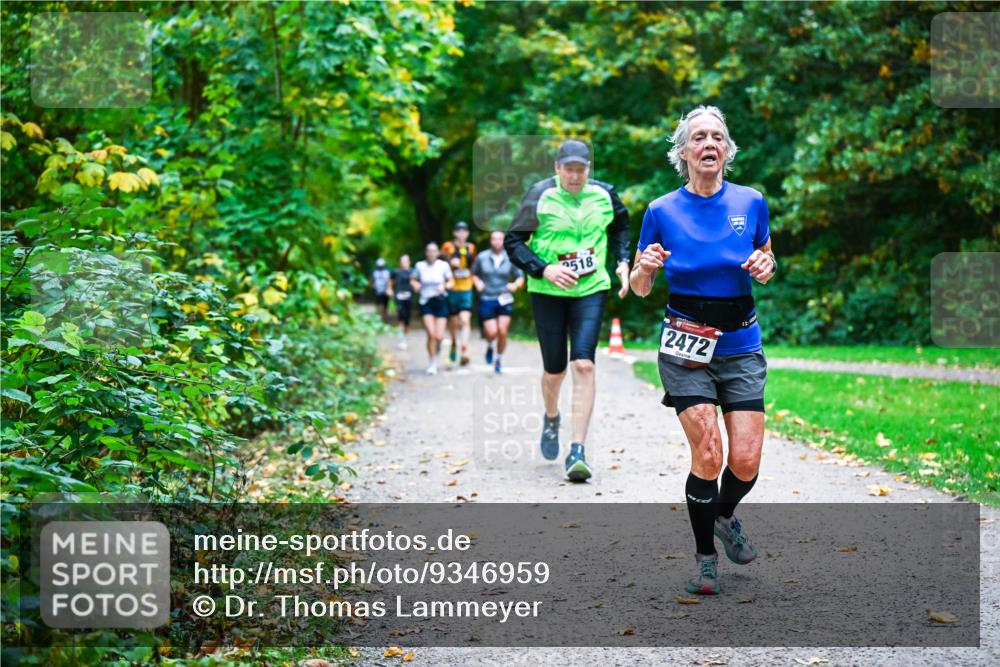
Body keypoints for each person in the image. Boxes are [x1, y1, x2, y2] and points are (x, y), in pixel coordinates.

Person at [629, 105, 776, 595]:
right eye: (699, 138)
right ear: (684, 151)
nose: (709, 144)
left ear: (727, 150)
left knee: (747, 460)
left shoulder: (752, 202)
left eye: (717, 137)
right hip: (686, 346)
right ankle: (706, 561)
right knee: (709, 453)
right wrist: (645, 268)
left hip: (740, 343)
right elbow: (639, 286)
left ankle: (724, 516)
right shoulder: (660, 210)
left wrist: (764, 267)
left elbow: (766, 256)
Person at [505, 139, 631, 482]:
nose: (575, 176)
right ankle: (551, 416)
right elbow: (512, 242)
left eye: (581, 169)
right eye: (569, 169)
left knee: (584, 363)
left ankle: (577, 450)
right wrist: (543, 268)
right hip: (548, 290)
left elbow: (621, 227)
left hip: (591, 287)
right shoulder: (538, 196)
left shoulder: (605, 195)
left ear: (588, 170)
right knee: (555, 370)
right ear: (557, 169)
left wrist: (622, 262)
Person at [473, 230, 524, 373]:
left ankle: (499, 359)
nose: (497, 242)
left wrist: (515, 285)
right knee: (492, 332)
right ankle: (490, 346)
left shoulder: (511, 257)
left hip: (504, 298)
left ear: (504, 241)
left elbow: (520, 277)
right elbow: (474, 274)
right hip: (487, 297)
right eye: (494, 239)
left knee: (502, 331)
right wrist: (477, 283)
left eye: (500, 239)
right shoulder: (482, 257)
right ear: (490, 241)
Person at [411, 243, 454, 375]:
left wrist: (445, 286)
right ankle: (432, 362)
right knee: (431, 334)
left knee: (439, 336)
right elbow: (412, 279)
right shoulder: (420, 266)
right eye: (429, 251)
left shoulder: (443, 266)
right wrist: (416, 285)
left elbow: (452, 282)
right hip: (426, 302)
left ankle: (437, 348)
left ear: (437, 253)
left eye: (434, 251)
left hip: (440, 301)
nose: (431, 253)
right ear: (426, 252)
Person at [441, 221, 477, 366]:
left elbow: (474, 265)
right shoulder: (447, 246)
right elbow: (440, 263)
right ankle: (454, 343)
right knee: (454, 322)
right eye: (459, 231)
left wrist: (473, 276)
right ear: (454, 233)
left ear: (467, 233)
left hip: (466, 288)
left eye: (464, 231)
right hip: (452, 289)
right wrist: (451, 262)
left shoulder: (471, 247)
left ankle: (465, 351)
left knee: (465, 319)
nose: (462, 234)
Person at [390, 254, 414, 350]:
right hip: (399, 296)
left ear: (409, 262)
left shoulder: (413, 272)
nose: (403, 263)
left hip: (409, 297)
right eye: (402, 261)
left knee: (407, 320)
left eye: (405, 261)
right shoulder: (396, 272)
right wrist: (389, 289)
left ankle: (405, 335)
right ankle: (401, 339)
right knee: (401, 317)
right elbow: (390, 282)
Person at [370, 258, 391, 322]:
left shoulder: (387, 272)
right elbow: (371, 281)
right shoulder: (374, 272)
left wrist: (389, 289)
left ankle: (385, 319)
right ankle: (381, 318)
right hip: (378, 291)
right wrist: (373, 286)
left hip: (385, 291)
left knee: (385, 306)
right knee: (380, 305)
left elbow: (389, 281)